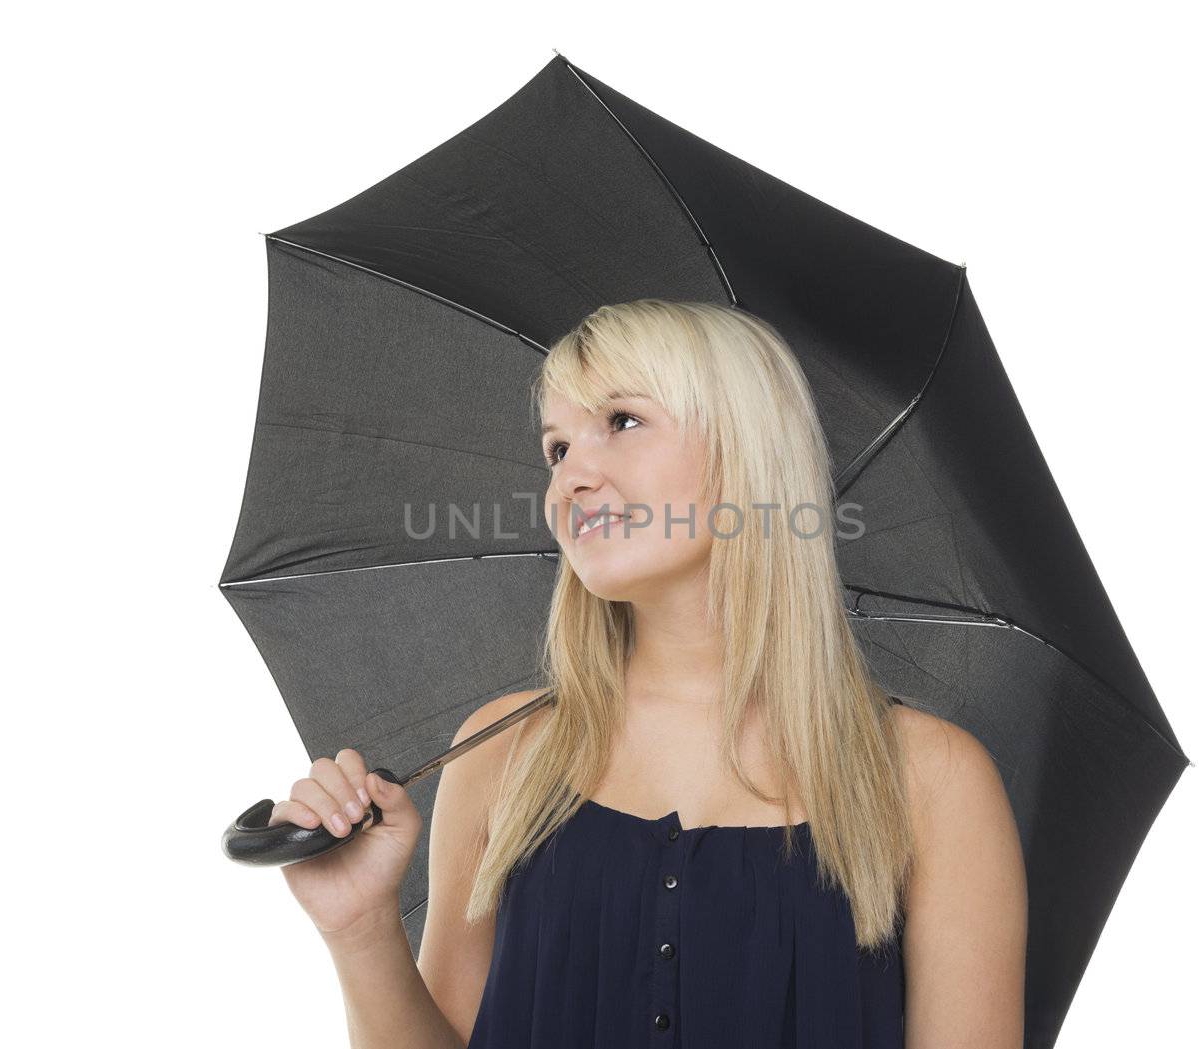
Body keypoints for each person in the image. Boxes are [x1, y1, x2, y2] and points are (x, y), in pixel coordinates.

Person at [267, 299, 1027, 1047]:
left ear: (747, 451)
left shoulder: (930, 779)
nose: (570, 479)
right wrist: (361, 926)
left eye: (622, 422)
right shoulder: (504, 755)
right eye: (556, 449)